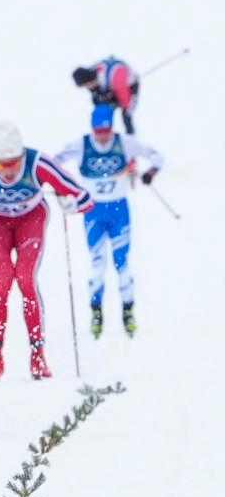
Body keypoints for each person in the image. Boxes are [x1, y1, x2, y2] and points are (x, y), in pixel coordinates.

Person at [0, 122, 93, 383]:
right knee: (3, 280)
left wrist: (73, 203)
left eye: (15, 161)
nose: (10, 169)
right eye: (2, 165)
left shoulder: (38, 163)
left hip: (31, 219)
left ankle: (38, 356)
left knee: (26, 280)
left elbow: (81, 194)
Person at [55, 105, 163, 339]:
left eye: (105, 130)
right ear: (92, 128)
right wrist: (63, 189)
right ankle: (96, 312)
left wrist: (150, 172)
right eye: (98, 130)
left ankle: (128, 310)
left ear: (111, 128)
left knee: (121, 262)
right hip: (92, 211)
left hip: (118, 211)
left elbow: (157, 155)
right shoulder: (81, 144)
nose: (102, 135)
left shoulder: (124, 141)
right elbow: (53, 163)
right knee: (97, 262)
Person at [72, 56, 139, 134]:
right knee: (102, 109)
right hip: (109, 86)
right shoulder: (91, 73)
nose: (87, 88)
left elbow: (125, 102)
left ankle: (130, 135)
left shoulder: (116, 78)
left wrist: (114, 102)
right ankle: (104, 134)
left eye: (87, 86)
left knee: (127, 114)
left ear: (90, 82)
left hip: (129, 86)